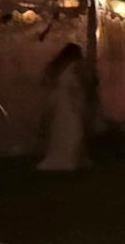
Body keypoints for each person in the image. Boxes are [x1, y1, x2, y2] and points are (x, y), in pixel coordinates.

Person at [37, 44, 91, 172]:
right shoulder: (71, 69)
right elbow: (72, 86)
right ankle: (68, 159)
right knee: (72, 131)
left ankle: (68, 159)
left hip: (63, 104)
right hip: (69, 105)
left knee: (65, 131)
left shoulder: (61, 69)